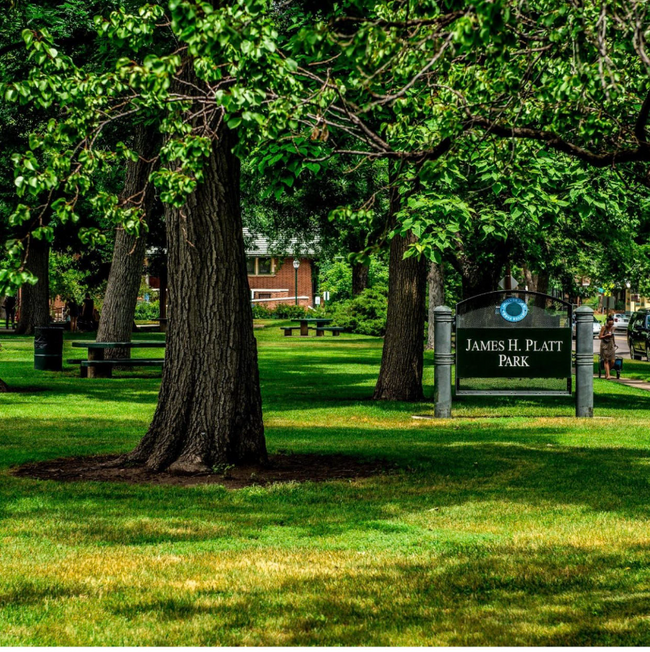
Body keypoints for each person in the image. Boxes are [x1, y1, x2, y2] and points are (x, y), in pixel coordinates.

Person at [599, 315, 617, 379]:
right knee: (606, 360)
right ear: (607, 323)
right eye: (609, 324)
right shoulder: (603, 328)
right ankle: (608, 375)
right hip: (604, 345)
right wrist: (606, 336)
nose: (610, 326)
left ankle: (607, 371)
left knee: (612, 361)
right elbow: (600, 337)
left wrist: (614, 343)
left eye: (612, 324)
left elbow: (613, 336)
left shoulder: (613, 328)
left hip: (611, 345)